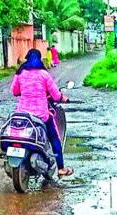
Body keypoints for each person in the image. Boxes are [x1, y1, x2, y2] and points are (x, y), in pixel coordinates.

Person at [11, 49, 74, 177]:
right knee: (54, 137)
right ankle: (61, 168)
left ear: (27, 59)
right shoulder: (44, 74)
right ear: (39, 59)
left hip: (22, 115)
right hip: (41, 115)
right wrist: (64, 98)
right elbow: (56, 95)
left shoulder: (20, 73)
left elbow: (14, 91)